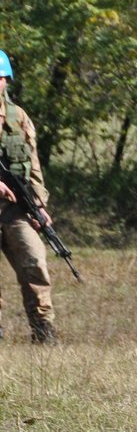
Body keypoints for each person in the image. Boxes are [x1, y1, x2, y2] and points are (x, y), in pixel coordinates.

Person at [0, 50, 60, 345]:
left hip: (15, 209)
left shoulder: (18, 117)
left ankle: (43, 330)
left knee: (35, 261)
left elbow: (32, 162)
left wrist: (39, 204)